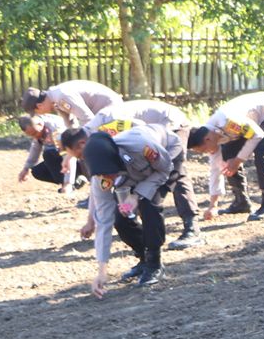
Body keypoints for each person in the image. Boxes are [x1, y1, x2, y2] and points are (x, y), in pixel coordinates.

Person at [66, 98, 202, 247]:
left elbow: (142, 129)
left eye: (80, 156)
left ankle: (192, 228)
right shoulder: (98, 142)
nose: (84, 160)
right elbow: (99, 182)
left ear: (82, 144)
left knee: (174, 173)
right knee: (140, 183)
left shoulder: (107, 127)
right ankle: (140, 227)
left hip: (169, 125)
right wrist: (90, 221)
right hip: (148, 135)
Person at [79, 124, 179, 294]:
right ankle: (143, 258)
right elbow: (104, 221)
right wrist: (102, 271)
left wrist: (137, 195)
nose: (107, 178)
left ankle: (154, 263)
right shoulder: (100, 177)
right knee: (120, 217)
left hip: (166, 157)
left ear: (114, 160)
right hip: (133, 176)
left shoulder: (141, 147)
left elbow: (164, 169)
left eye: (110, 173)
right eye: (103, 175)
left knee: (149, 206)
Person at [187, 92, 264, 222]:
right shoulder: (213, 136)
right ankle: (241, 201)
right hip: (247, 125)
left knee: (262, 151)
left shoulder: (228, 122)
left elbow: (257, 135)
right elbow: (216, 169)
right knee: (228, 155)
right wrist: (213, 206)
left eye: (204, 150)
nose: (206, 152)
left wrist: (238, 160)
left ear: (208, 139)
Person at [22, 81, 124, 127]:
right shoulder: (55, 98)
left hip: (112, 111)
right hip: (102, 113)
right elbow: (71, 123)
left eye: (38, 112)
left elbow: (88, 119)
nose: (42, 114)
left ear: (39, 106)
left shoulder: (62, 97)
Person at [16, 114, 77, 191]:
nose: (35, 137)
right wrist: (26, 168)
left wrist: (68, 182)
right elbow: (35, 148)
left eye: (35, 133)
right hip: (61, 158)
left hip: (74, 156)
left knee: (48, 154)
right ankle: (76, 181)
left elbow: (68, 154)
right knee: (37, 171)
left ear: (40, 124)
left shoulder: (56, 128)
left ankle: (68, 184)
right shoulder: (39, 130)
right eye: (31, 135)